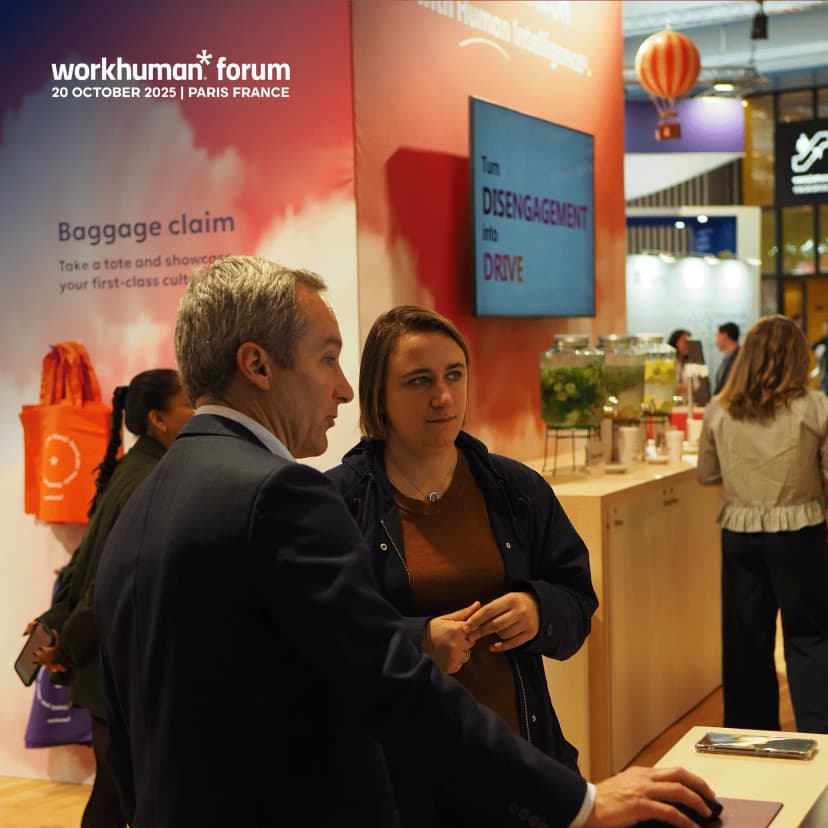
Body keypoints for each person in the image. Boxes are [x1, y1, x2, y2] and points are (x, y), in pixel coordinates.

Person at [94, 255, 716, 828]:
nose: (341, 388)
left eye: (454, 375)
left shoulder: (145, 497)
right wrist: (580, 801)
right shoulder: (283, 495)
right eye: (326, 359)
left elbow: (119, 720)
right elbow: (390, 680)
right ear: (257, 366)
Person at [326, 306, 596, 826]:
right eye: (419, 380)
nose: (443, 396)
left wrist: (538, 609)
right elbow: (326, 641)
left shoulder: (515, 488)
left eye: (454, 375)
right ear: (378, 394)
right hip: (405, 784)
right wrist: (418, 642)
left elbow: (578, 599)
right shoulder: (339, 502)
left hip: (520, 765)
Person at [26, 369, 193, 828]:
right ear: (158, 419)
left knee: (118, 795)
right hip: (114, 665)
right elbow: (106, 581)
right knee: (119, 797)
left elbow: (83, 563)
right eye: (188, 403)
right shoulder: (150, 478)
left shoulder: (133, 468)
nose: (197, 411)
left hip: (102, 664)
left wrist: (58, 624)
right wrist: (66, 643)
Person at [698, 314, 828, 733]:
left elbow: (707, 473)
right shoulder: (816, 407)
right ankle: (820, 736)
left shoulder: (719, 409)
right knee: (809, 637)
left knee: (745, 643)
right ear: (797, 357)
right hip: (801, 532)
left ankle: (749, 740)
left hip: (739, 534)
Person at [713, 322, 740, 395]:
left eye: (717, 336)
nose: (716, 341)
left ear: (724, 336)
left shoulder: (739, 357)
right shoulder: (727, 357)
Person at [667, 329, 691, 397]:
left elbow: (697, 386)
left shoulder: (692, 362)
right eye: (685, 341)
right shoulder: (668, 362)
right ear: (675, 341)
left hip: (688, 399)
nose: (688, 344)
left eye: (689, 342)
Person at [811, 320, 828, 394]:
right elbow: (814, 345)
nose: (824, 331)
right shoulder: (823, 340)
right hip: (822, 367)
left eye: (826, 329)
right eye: (823, 329)